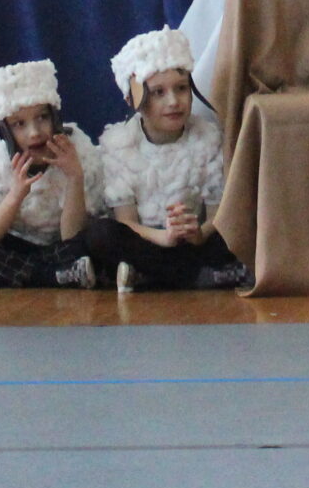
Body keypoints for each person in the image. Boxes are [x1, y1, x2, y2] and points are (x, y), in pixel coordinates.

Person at [86, 27, 249, 292]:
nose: (174, 101)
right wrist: (165, 237)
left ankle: (151, 276)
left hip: (195, 241)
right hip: (149, 240)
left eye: (181, 88)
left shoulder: (208, 137)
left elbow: (218, 217)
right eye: (158, 92)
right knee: (100, 234)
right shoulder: (119, 144)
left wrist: (197, 233)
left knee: (241, 224)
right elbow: (126, 222)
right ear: (134, 100)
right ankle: (193, 276)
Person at [0, 60, 102, 288]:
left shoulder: (78, 149)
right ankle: (51, 276)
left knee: (98, 238)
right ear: (5, 132)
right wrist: (16, 195)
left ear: (55, 117)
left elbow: (72, 236)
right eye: (19, 124)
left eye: (42, 118)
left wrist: (75, 177)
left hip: (64, 248)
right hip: (18, 247)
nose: (34, 133)